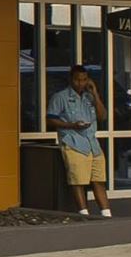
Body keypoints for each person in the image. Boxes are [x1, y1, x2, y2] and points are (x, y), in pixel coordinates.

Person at [47, 64, 111, 217]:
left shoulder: (89, 97)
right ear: (71, 79)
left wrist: (95, 94)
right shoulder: (60, 97)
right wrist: (71, 125)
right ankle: (83, 212)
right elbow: (50, 120)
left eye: (84, 80)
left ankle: (106, 213)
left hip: (92, 144)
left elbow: (103, 116)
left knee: (98, 179)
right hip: (73, 142)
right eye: (77, 80)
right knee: (78, 180)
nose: (80, 83)